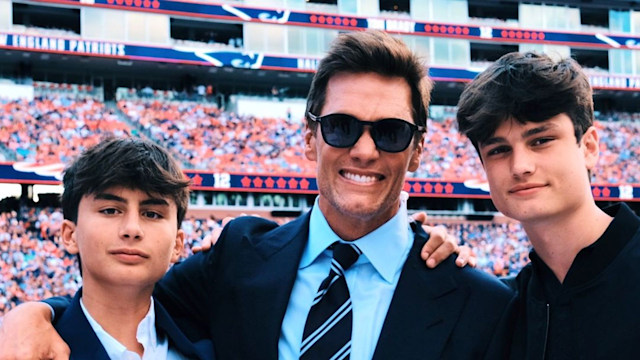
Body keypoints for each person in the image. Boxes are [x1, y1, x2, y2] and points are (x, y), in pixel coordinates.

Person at [0, 31, 513, 360]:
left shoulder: (476, 300)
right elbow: (126, 287)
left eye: (391, 133)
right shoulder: (240, 254)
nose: (363, 150)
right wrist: (35, 312)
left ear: (418, 150)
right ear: (309, 136)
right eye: (339, 126)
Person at [456, 51, 640, 359]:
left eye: (540, 140)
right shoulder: (502, 310)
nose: (520, 166)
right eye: (499, 150)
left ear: (589, 147)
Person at [8, 138, 215, 359]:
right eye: (110, 210)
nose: (132, 229)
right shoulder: (27, 348)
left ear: (177, 244)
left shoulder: (216, 341)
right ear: (70, 235)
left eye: (152, 214)